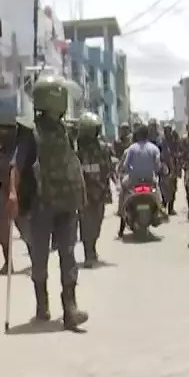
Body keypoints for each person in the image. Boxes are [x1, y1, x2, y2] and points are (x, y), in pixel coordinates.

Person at [10, 76, 90, 330]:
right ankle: (42, 303)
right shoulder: (30, 133)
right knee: (41, 257)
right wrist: (13, 194)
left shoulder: (66, 130)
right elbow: (17, 165)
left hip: (67, 201)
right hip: (42, 203)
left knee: (68, 253)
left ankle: (70, 308)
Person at [75, 112, 113, 267]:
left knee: (97, 222)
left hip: (100, 190)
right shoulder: (77, 149)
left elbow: (107, 167)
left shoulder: (103, 148)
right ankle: (88, 253)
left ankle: (93, 247)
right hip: (84, 192)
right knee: (85, 222)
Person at [0, 119, 27, 274]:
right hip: (3, 194)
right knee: (3, 232)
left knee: (27, 230)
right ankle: (8, 262)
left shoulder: (21, 152)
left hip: (22, 194)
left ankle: (36, 259)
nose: (3, 135)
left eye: (7, 131)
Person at [116, 123, 163, 238]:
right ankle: (160, 209)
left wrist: (131, 171)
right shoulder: (154, 148)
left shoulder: (132, 148)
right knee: (157, 190)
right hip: (149, 180)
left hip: (133, 180)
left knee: (123, 189)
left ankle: (121, 213)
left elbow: (126, 166)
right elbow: (158, 166)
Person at [160, 124, 182, 215]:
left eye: (168, 130)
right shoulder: (161, 141)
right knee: (164, 189)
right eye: (166, 130)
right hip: (164, 167)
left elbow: (179, 153)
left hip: (173, 167)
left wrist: (178, 168)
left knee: (173, 189)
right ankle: (163, 207)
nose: (167, 132)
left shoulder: (175, 141)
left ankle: (170, 208)